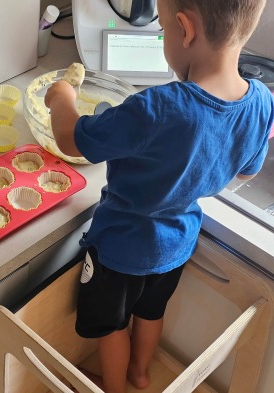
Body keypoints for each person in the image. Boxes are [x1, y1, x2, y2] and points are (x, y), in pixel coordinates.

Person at [44, 0, 274, 391]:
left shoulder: (156, 108)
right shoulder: (262, 102)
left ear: (185, 29)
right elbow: (248, 168)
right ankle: (140, 374)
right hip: (178, 243)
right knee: (151, 312)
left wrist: (62, 96)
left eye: (164, 29)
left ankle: (115, 388)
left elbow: (70, 137)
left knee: (113, 325)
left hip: (120, 248)